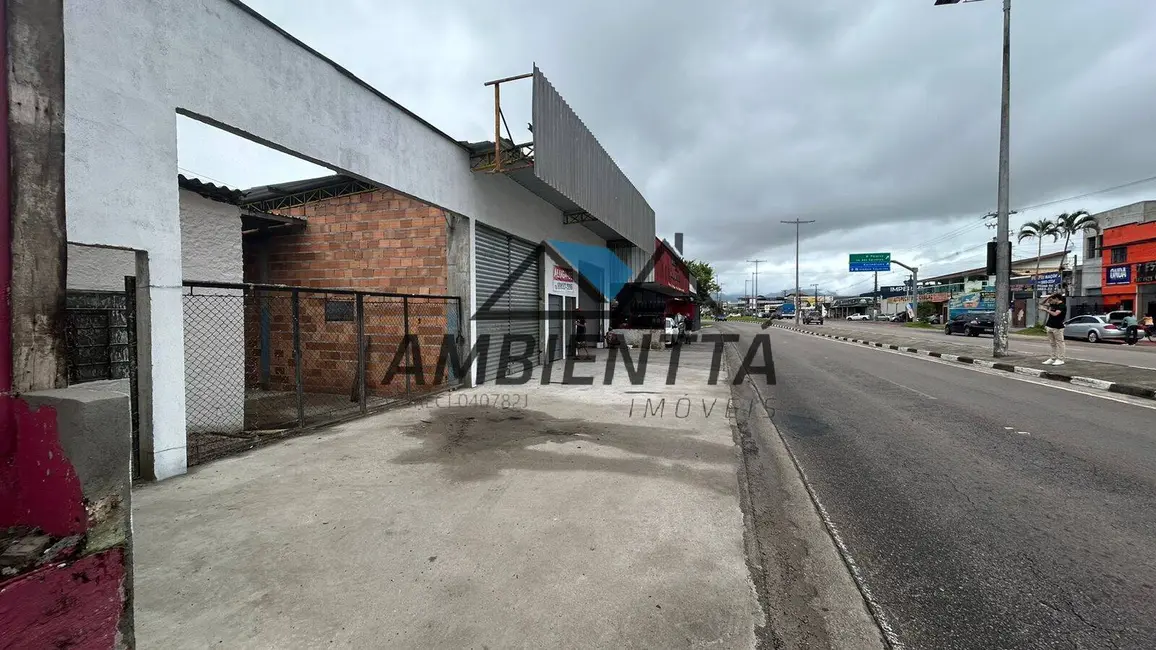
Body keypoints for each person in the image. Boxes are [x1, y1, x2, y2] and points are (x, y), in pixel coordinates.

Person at [1039, 292, 1067, 365]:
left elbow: (1055, 314)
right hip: (1050, 326)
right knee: (1052, 343)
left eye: (1052, 299)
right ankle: (1053, 358)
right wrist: (1049, 297)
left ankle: (1061, 359)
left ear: (1057, 299)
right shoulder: (1053, 304)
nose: (1051, 301)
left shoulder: (1062, 306)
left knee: (1060, 343)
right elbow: (1042, 303)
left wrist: (1045, 310)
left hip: (1058, 327)